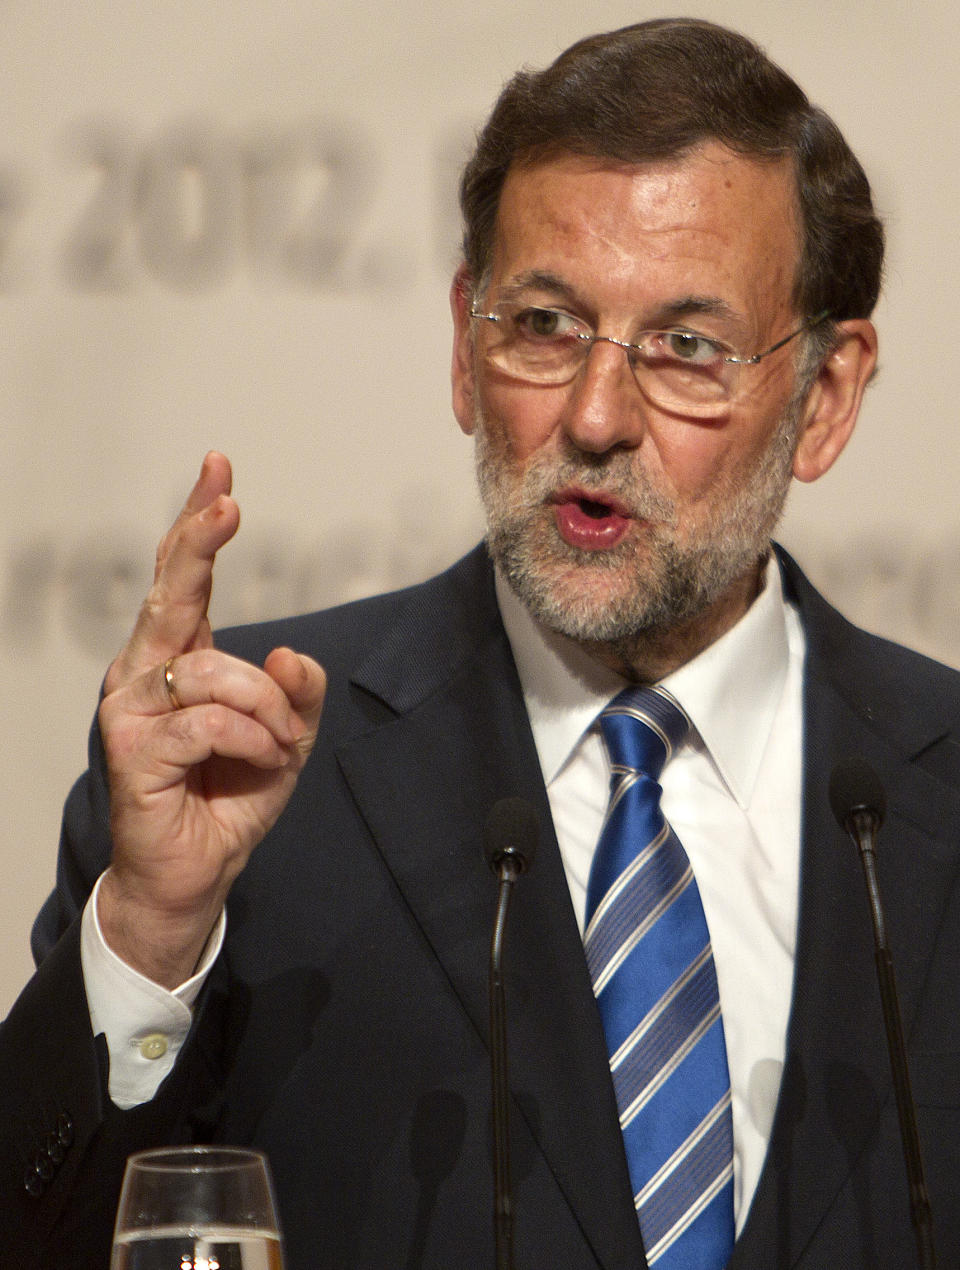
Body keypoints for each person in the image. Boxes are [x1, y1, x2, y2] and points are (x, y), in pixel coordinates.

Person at [2, 16, 959, 1269]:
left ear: (825, 397)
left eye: (686, 347)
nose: (598, 416)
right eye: (547, 325)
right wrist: (148, 939)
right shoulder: (248, 772)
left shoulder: (934, 790)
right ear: (466, 345)